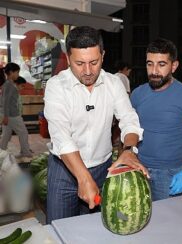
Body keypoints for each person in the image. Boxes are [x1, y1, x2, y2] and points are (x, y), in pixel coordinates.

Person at [43, 26, 148, 224]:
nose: (88, 71)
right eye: (80, 63)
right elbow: (61, 137)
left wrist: (129, 150)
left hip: (103, 168)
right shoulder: (56, 86)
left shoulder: (113, 83)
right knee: (59, 228)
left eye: (94, 62)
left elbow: (129, 119)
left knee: (95, 230)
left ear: (103, 55)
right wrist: (83, 178)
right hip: (64, 171)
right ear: (68, 58)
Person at [130, 38, 182, 201]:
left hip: (169, 174)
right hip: (138, 168)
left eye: (161, 64)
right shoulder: (137, 94)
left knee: (168, 223)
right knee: (137, 219)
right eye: (149, 63)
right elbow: (127, 128)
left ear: (173, 66)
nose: (154, 71)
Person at [0, 63, 32, 161]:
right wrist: (5, 116)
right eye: (17, 72)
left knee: (6, 134)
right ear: (11, 72)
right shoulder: (9, 85)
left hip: (7, 115)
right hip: (12, 115)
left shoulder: (8, 84)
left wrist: (5, 116)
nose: (18, 74)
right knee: (23, 133)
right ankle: (25, 152)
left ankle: (1, 152)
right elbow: (6, 101)